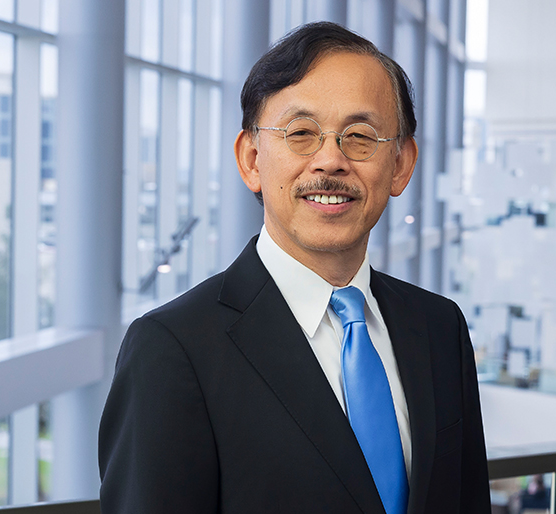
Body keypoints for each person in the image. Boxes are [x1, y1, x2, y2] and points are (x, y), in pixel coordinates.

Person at [98, 22, 490, 514]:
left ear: (401, 164)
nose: (330, 161)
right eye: (302, 133)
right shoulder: (172, 349)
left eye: (361, 136)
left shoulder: (439, 327)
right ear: (251, 159)